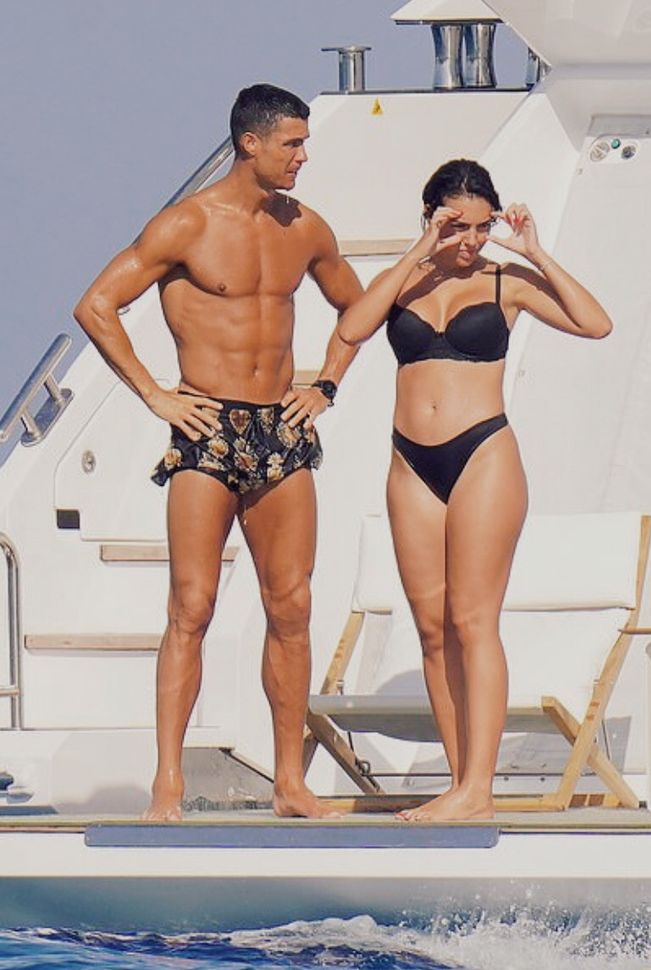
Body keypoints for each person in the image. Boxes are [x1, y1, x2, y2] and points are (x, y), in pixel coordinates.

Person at [74, 83, 363, 820]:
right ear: (251, 143)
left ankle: (291, 785)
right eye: (293, 143)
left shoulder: (305, 228)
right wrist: (155, 395)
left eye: (304, 142)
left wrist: (326, 384)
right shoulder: (187, 224)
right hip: (207, 430)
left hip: (281, 430)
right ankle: (167, 784)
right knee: (192, 606)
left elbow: (356, 309)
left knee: (291, 606)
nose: (304, 155)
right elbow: (96, 306)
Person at [337, 159, 612, 822]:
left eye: (481, 227)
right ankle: (461, 786)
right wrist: (417, 252)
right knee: (432, 630)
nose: (470, 239)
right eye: (458, 226)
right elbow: (351, 329)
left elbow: (595, 323)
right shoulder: (406, 281)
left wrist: (535, 252)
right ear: (433, 218)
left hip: (483, 452)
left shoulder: (505, 281)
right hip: (411, 464)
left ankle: (477, 790)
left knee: (472, 620)